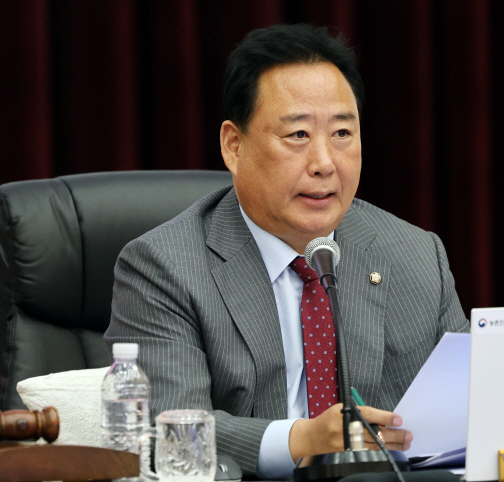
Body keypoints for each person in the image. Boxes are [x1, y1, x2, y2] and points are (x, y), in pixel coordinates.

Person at [104, 23, 468, 479]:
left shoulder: (415, 254)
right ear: (234, 146)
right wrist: (300, 441)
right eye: (298, 135)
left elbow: (471, 408)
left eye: (342, 133)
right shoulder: (164, 267)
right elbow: (169, 429)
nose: (324, 163)